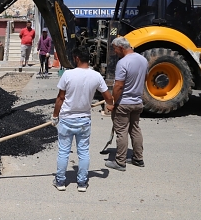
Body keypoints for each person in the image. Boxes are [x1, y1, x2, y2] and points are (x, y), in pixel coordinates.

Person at [52, 46, 114, 192]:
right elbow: (108, 97)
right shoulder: (96, 76)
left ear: (77, 58)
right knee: (84, 152)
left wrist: (55, 116)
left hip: (67, 119)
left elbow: (60, 98)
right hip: (84, 120)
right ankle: (82, 183)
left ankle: (60, 182)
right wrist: (110, 105)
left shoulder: (68, 75)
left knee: (63, 152)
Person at [105, 37, 148, 172]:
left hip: (123, 103)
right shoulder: (143, 60)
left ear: (121, 47)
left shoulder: (123, 63)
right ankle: (138, 158)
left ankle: (120, 162)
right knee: (135, 129)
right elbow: (145, 78)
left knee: (121, 131)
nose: (114, 51)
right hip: (137, 102)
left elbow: (118, 85)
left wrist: (111, 103)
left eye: (114, 48)